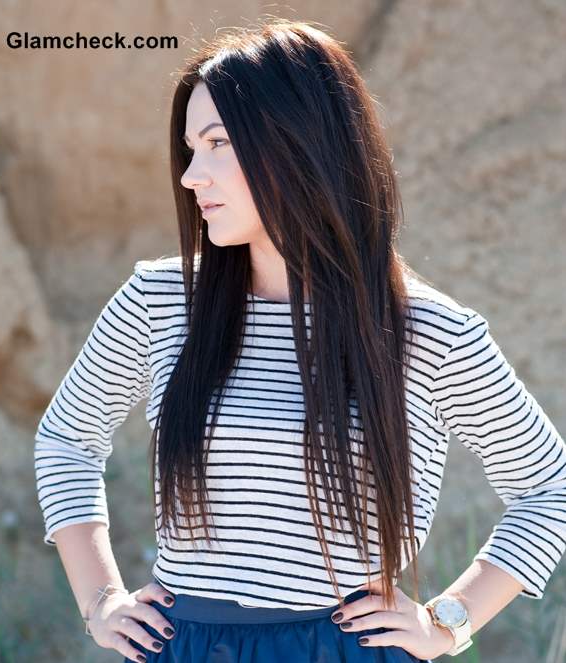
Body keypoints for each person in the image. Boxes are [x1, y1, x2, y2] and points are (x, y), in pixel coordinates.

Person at [34, 18, 566, 663]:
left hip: (347, 648)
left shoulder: (429, 331)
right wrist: (100, 600)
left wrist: (449, 620)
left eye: (218, 143)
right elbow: (67, 436)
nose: (191, 176)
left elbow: (547, 488)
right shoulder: (161, 299)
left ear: (299, 144)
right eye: (189, 150)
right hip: (185, 644)